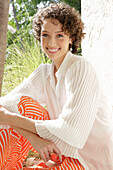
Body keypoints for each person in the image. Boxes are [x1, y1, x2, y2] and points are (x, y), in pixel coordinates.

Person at [0, 2, 113, 170]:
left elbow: (72, 133)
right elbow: (4, 105)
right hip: (60, 155)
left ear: (72, 38)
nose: (51, 43)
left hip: (90, 163)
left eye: (59, 35)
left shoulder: (80, 68)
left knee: (13, 112)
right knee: (20, 104)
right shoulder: (44, 73)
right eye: (45, 35)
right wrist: (33, 138)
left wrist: (10, 118)